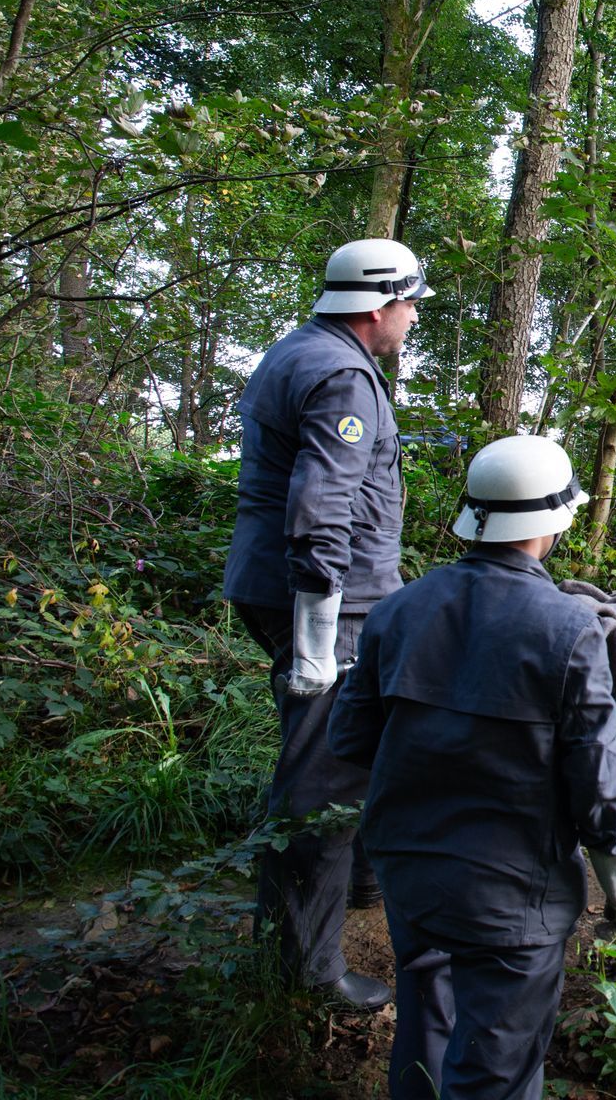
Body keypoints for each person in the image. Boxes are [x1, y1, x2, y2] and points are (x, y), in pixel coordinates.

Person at [330, 435, 616, 1100]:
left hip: (411, 875)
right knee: (497, 1072)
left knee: (426, 1029)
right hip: (513, 899)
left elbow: (351, 739)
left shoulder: (397, 609)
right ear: (555, 522)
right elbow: (600, 784)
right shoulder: (570, 629)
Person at [222, 236, 432, 1010]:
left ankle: (360, 881)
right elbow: (321, 511)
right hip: (329, 605)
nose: (414, 317)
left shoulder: (301, 349)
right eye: (410, 303)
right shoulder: (343, 376)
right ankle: (304, 971)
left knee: (365, 740)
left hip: (306, 593)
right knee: (322, 778)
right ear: (379, 306)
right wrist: (317, 640)